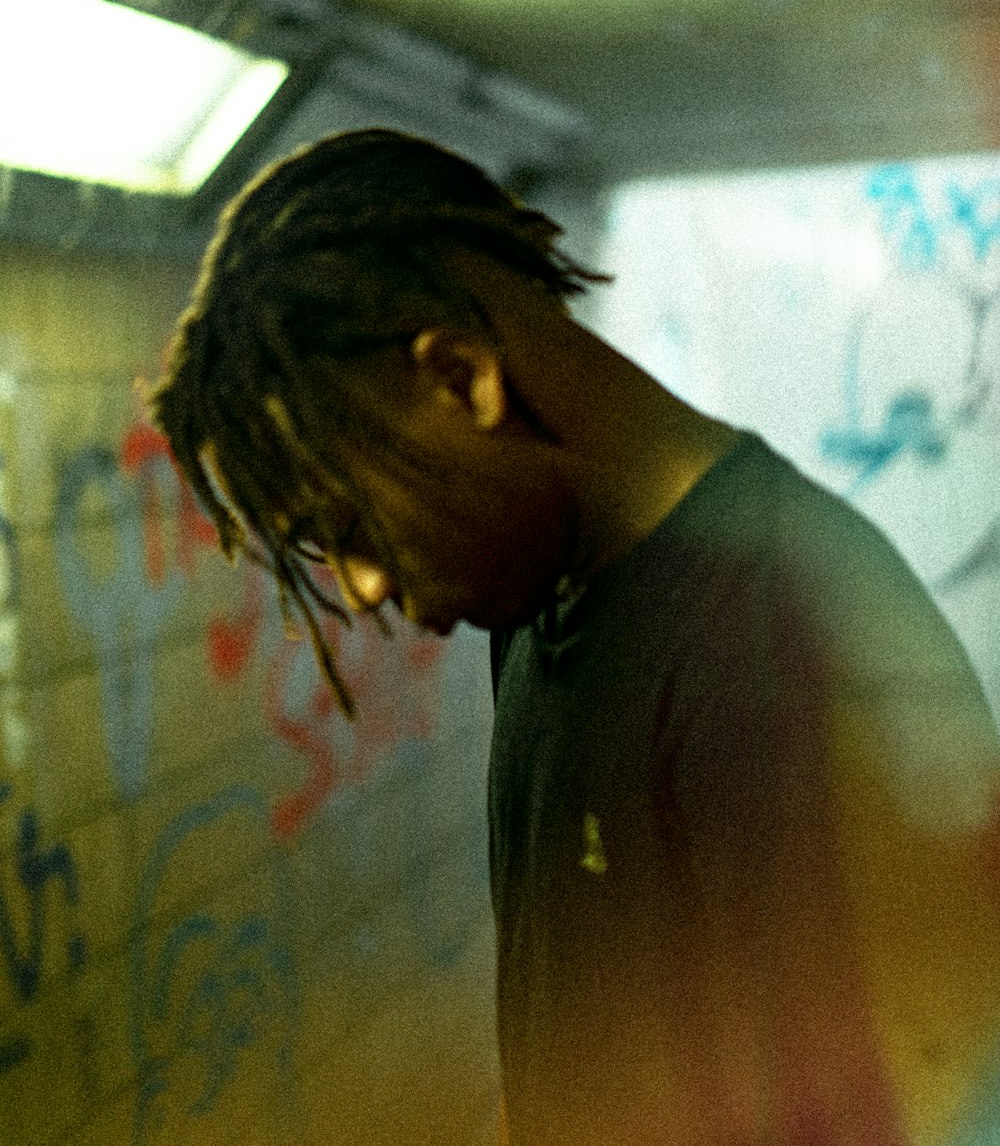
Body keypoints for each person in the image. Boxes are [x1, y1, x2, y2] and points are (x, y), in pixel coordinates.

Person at [147, 128, 1000, 1146]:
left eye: (349, 528)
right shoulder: (545, 603)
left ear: (461, 376)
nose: (367, 586)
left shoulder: (786, 648)